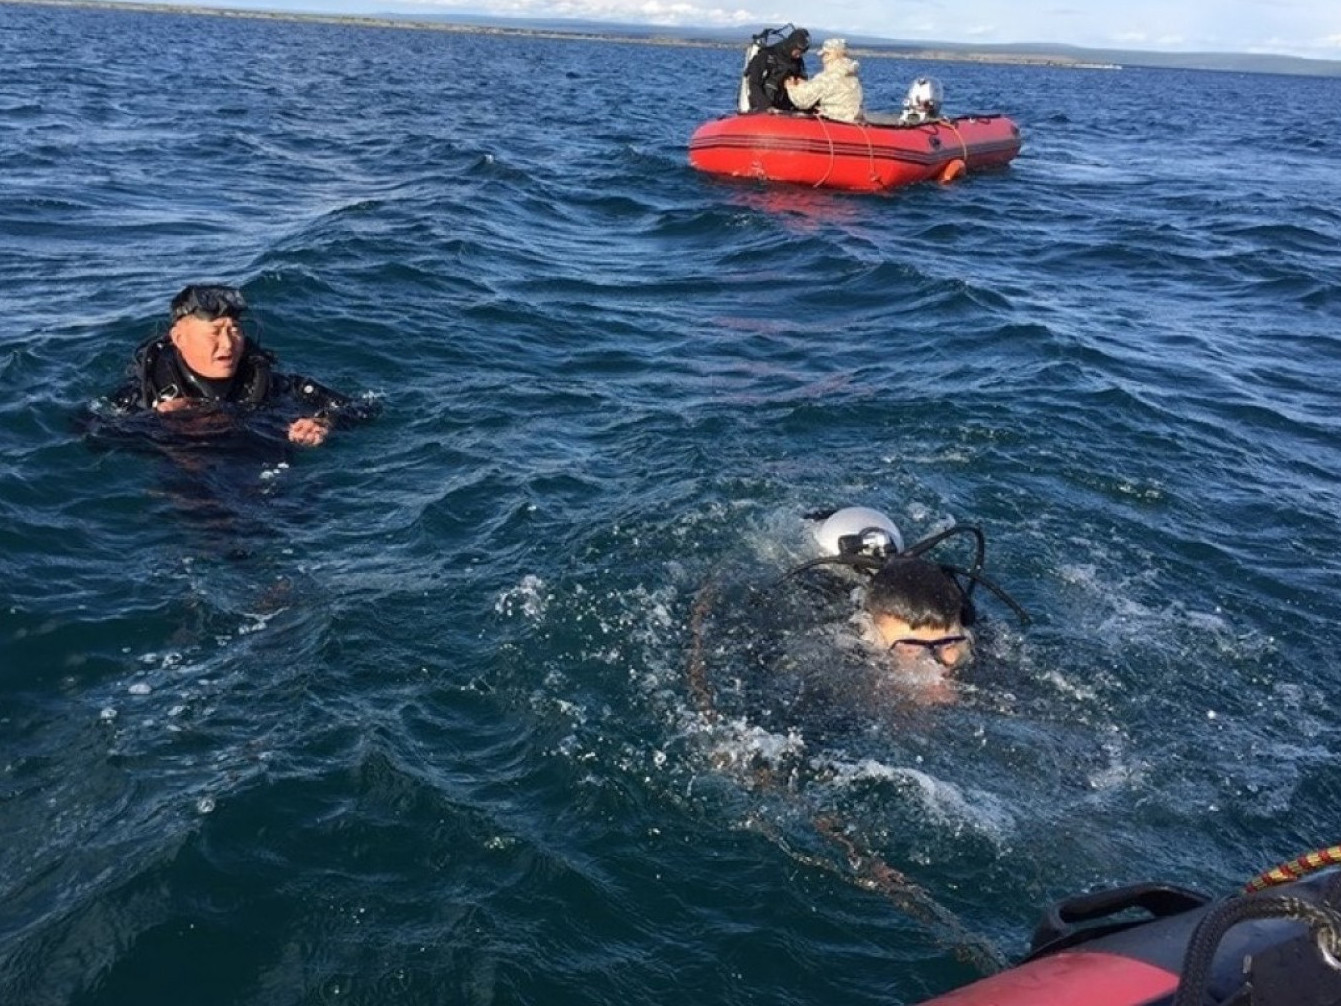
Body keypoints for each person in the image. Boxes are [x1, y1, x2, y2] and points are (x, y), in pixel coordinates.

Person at [108, 284, 367, 447]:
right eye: (214, 332)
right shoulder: (143, 394)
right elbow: (91, 434)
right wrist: (154, 422)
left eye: (234, 330)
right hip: (190, 483)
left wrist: (323, 422)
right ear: (179, 338)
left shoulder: (275, 386)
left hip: (267, 475)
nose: (228, 343)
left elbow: (362, 408)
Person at [784, 37, 863, 124]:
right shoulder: (852, 74)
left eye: (824, 55)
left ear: (831, 55)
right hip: (853, 120)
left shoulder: (828, 77)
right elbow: (829, 89)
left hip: (836, 122)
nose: (822, 59)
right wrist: (805, 85)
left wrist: (791, 87)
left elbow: (802, 101)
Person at [744, 27, 810, 113]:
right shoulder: (766, 56)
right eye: (797, 52)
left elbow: (803, 82)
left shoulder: (797, 62)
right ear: (791, 45)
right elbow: (753, 83)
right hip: (765, 105)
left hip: (787, 108)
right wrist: (766, 106)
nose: (799, 56)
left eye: (802, 53)